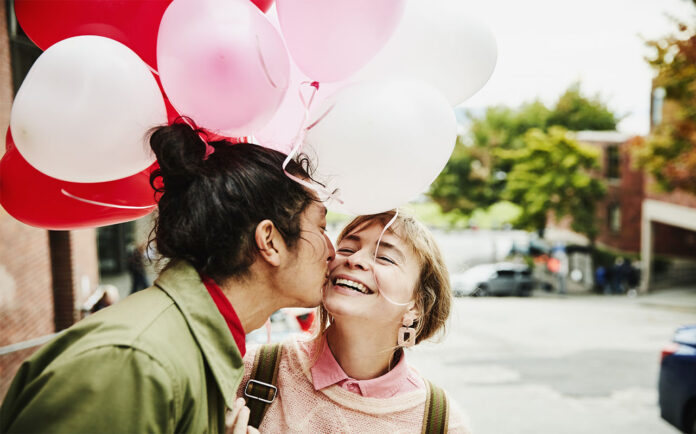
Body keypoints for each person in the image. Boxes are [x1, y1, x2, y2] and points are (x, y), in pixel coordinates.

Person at [0, 119, 335, 433]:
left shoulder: (177, 350)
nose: (333, 251)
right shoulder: (132, 364)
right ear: (270, 241)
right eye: (320, 227)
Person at [237, 211, 472, 433]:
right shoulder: (250, 370)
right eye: (347, 249)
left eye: (384, 257)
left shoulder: (442, 423)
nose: (355, 260)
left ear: (417, 304)